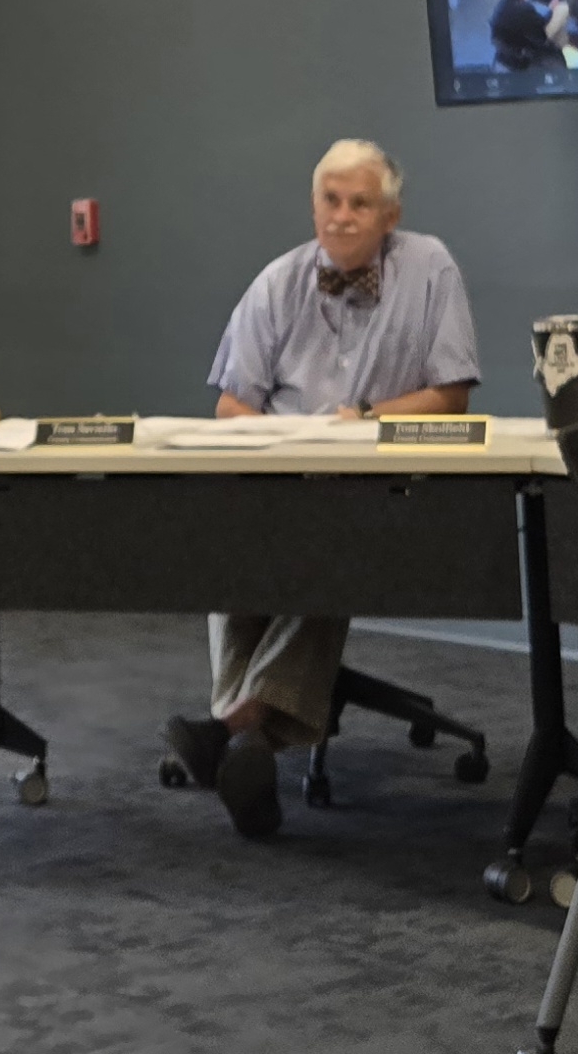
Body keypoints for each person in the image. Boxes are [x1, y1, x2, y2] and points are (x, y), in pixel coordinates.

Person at [167, 141, 480, 839]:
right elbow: (230, 405)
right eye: (331, 202)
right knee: (232, 533)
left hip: (382, 486)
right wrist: (286, 443)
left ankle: (229, 728)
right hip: (280, 477)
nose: (342, 216)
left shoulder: (430, 267)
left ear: (390, 215)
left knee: (331, 537)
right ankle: (249, 736)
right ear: (313, 208)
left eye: (359, 204)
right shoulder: (277, 282)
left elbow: (451, 395)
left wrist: (361, 422)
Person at [490, 0, 568, 71]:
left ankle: (562, 46)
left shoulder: (504, 3)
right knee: (563, 9)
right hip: (525, 52)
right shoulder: (523, 9)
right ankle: (562, 48)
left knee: (557, 26)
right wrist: (551, 9)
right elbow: (541, 29)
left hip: (508, 50)